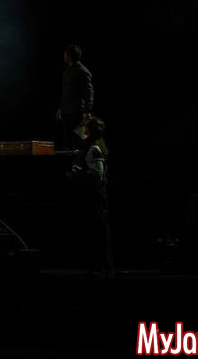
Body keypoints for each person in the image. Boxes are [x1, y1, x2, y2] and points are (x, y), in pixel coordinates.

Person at [66, 116, 112, 277]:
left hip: (96, 192)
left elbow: (97, 176)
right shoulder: (96, 144)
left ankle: (101, 266)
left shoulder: (94, 148)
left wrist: (77, 175)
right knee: (98, 229)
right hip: (97, 192)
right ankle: (101, 265)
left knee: (98, 229)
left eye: (86, 128)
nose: (83, 131)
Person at [55, 44, 94, 151]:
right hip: (67, 112)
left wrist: (87, 111)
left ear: (70, 55)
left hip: (78, 112)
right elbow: (65, 93)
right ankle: (70, 161)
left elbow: (89, 92)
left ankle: (81, 161)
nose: (64, 56)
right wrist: (60, 108)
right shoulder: (67, 71)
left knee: (79, 141)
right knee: (67, 142)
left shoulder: (82, 71)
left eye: (65, 53)